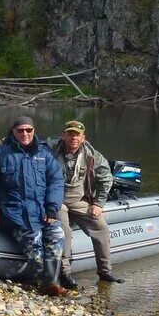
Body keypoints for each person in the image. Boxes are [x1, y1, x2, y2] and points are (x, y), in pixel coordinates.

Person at [0, 116, 70, 297]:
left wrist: (51, 208)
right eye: (20, 130)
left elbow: (56, 181)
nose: (25, 134)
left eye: (28, 130)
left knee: (57, 234)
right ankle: (50, 284)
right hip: (15, 213)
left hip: (41, 210)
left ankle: (52, 283)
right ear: (13, 132)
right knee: (35, 246)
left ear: (33, 131)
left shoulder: (44, 154)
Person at [48, 120, 123, 288]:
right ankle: (65, 272)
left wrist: (98, 203)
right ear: (64, 135)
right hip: (56, 198)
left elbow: (106, 178)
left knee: (101, 226)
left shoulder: (92, 155)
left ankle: (105, 271)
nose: (73, 138)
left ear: (83, 138)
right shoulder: (50, 150)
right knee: (64, 229)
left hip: (79, 199)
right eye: (70, 134)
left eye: (77, 135)